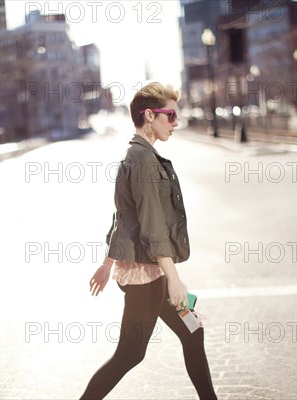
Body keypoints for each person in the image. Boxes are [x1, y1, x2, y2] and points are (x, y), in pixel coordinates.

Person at [80, 82, 217, 400]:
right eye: (170, 115)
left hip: (150, 272)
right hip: (148, 277)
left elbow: (123, 218)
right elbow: (152, 228)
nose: (175, 122)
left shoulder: (139, 156)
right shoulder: (142, 161)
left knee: (193, 331)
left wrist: (107, 263)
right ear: (149, 115)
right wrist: (175, 279)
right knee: (130, 354)